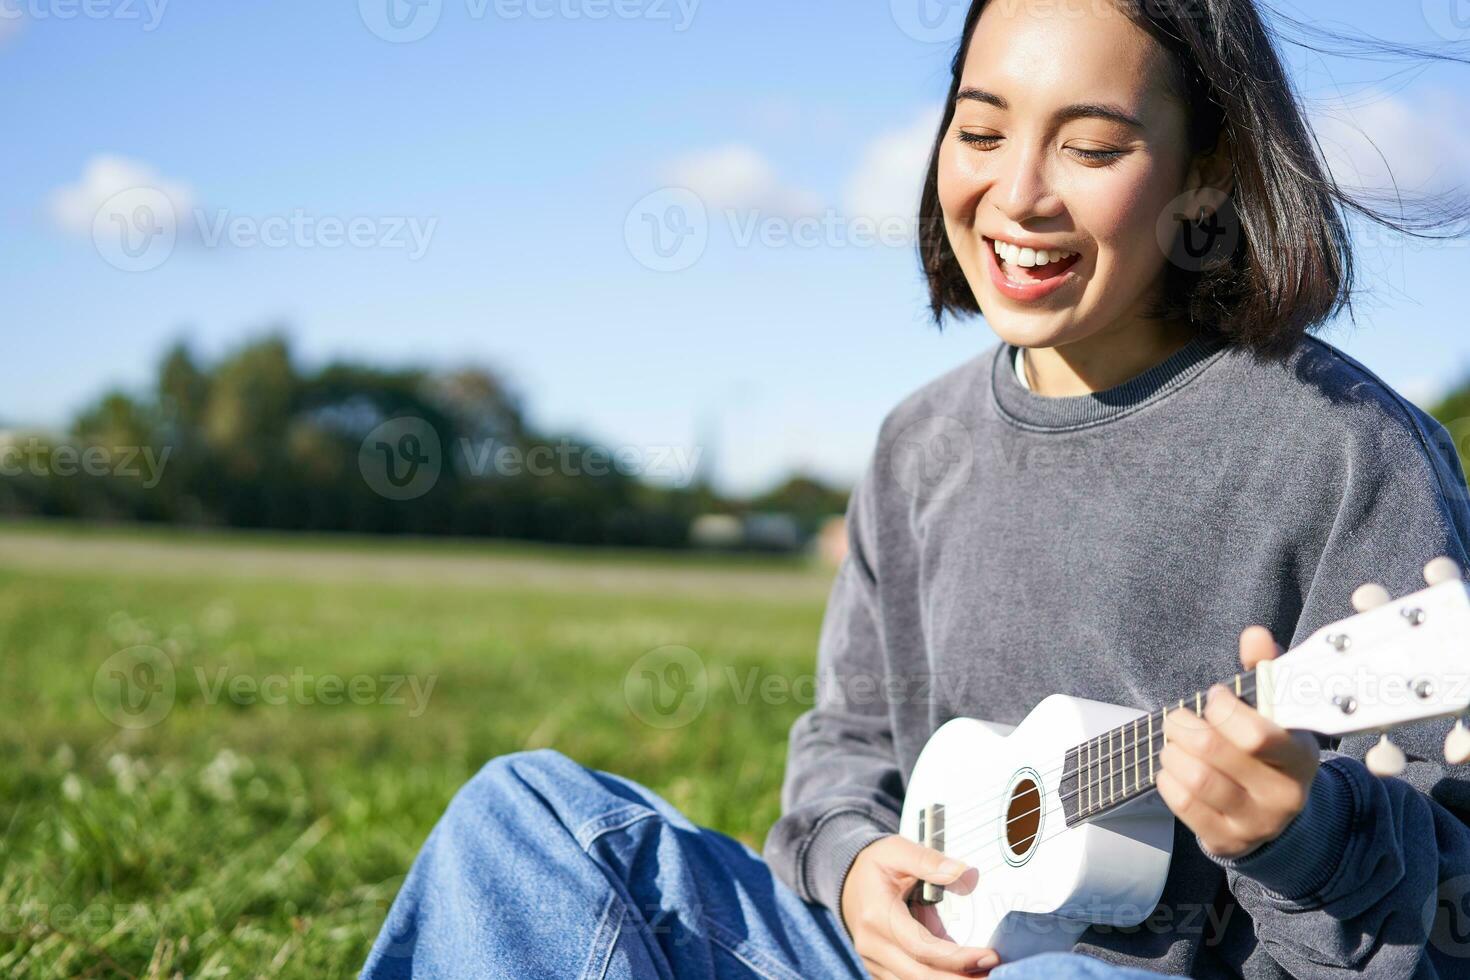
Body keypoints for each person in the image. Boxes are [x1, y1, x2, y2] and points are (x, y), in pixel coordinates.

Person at [362, 1, 1470, 977]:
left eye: (1089, 146)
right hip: (896, 955)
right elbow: (845, 747)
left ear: (1204, 182)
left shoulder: (1344, 450)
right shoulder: (917, 445)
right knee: (527, 817)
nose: (1017, 192)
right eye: (981, 132)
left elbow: (1449, 905)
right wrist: (850, 873)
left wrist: (1304, 835)